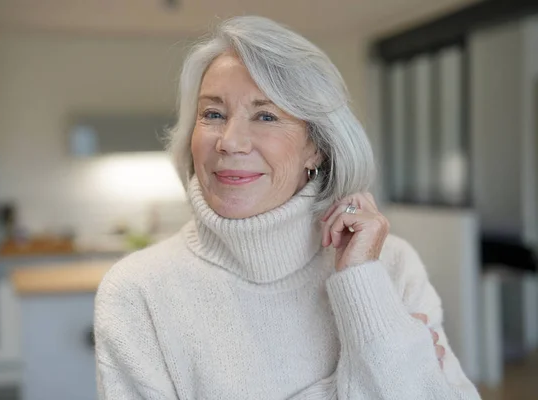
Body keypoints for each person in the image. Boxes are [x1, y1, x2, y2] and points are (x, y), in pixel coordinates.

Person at [94, 16, 481, 400]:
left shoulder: (390, 267)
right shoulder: (136, 292)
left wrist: (362, 284)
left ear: (316, 146)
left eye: (265, 115)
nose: (230, 142)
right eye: (213, 114)